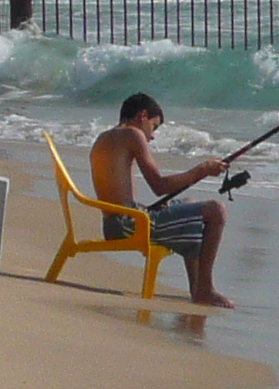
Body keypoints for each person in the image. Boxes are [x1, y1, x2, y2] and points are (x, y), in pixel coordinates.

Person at [89, 92, 236, 309]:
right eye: (154, 127)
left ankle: (198, 288)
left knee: (189, 202)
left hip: (116, 221)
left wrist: (145, 208)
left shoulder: (104, 137)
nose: (152, 136)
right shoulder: (132, 134)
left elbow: (118, 196)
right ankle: (204, 290)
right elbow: (159, 186)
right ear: (143, 116)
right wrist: (203, 170)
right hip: (128, 224)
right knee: (216, 211)